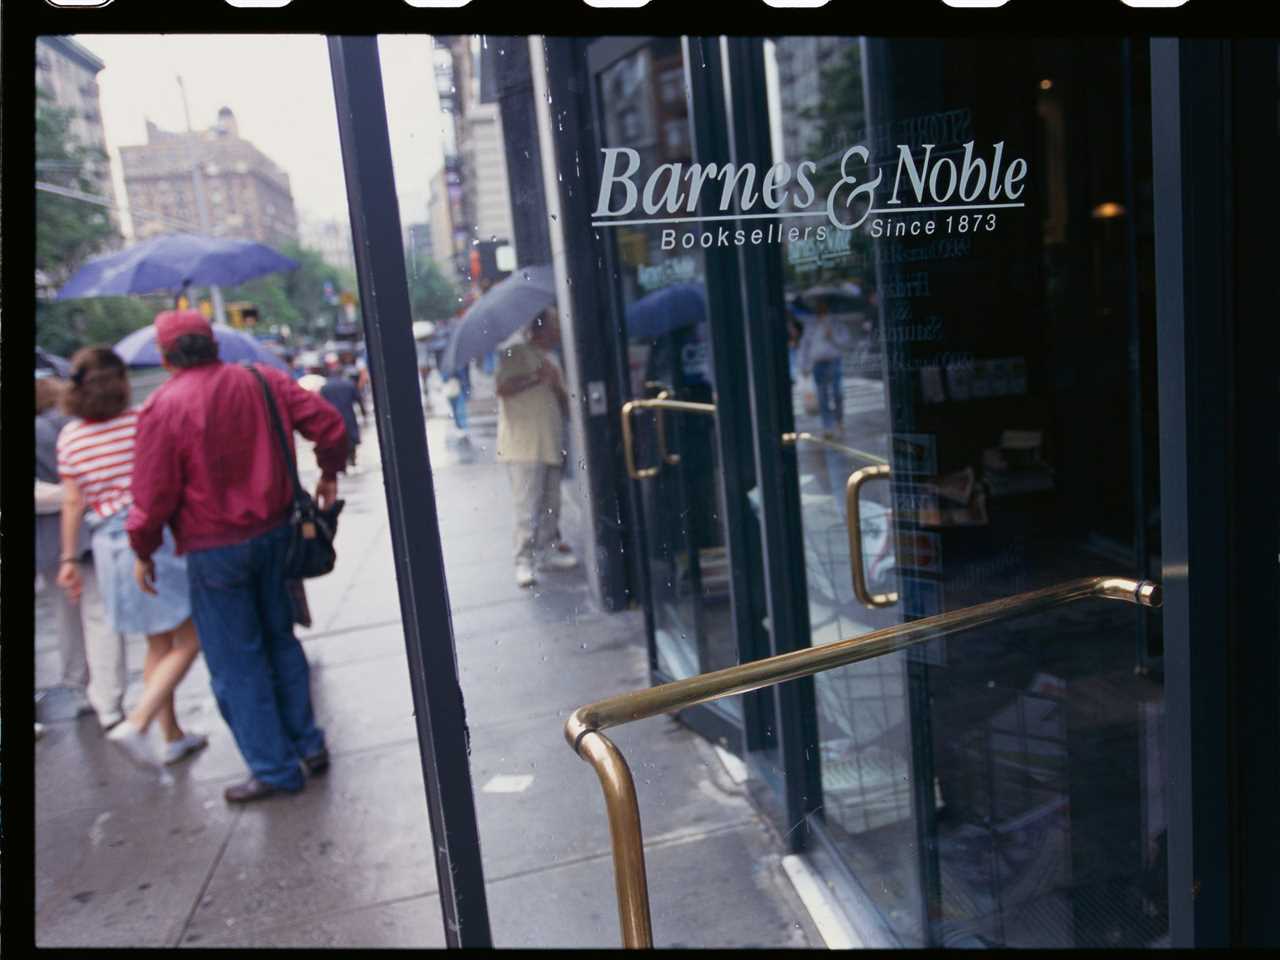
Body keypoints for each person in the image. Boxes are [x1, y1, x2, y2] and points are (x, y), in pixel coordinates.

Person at [126, 310, 348, 804]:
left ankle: (274, 768)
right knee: (280, 641)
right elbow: (329, 426)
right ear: (214, 345)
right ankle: (308, 746)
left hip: (214, 551)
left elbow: (151, 496)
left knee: (235, 662)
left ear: (165, 357)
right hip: (275, 538)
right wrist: (329, 471)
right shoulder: (262, 380)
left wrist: (142, 550)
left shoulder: (162, 407)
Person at [54, 348, 207, 767]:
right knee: (191, 635)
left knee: (157, 639)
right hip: (152, 536)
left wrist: (69, 560)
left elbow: (73, 502)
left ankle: (172, 734)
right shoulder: (141, 421)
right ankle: (139, 722)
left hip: (106, 546)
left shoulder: (70, 438)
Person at [36, 375, 128, 731]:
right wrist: (79, 492)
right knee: (100, 615)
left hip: (49, 539)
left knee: (65, 618)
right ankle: (108, 697)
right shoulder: (73, 427)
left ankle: (78, 683)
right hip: (90, 531)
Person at [494, 307, 579, 588]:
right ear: (541, 329)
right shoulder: (514, 353)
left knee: (551, 504)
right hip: (523, 447)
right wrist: (535, 378)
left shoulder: (552, 359)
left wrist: (555, 384)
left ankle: (547, 551)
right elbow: (502, 388)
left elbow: (566, 403)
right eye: (554, 326)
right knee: (528, 508)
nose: (557, 332)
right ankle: (523, 560)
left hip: (550, 442)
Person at [798, 300, 850, 438]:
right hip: (818, 364)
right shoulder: (811, 325)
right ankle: (828, 426)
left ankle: (839, 420)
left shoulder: (835, 323)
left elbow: (845, 342)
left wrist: (832, 336)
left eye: (823, 305)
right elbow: (805, 346)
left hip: (834, 361)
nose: (820, 308)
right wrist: (804, 365)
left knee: (838, 393)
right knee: (822, 396)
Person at [320, 362, 363, 472]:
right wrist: (364, 413)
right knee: (351, 439)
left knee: (337, 439)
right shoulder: (349, 384)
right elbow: (358, 399)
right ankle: (352, 461)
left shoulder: (325, 387)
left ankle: (342, 464)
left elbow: (321, 404)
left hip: (332, 418)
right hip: (348, 415)